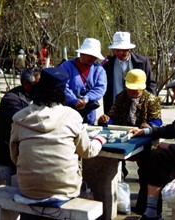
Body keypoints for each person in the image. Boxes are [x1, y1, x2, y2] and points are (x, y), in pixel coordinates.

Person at [10, 67, 106, 219]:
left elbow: (15, 156)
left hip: (28, 189)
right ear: (63, 93)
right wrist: (100, 139)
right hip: (65, 190)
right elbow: (87, 152)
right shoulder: (72, 116)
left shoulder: (20, 118)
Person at [129, 73, 175, 220]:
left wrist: (168, 147)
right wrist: (146, 130)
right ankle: (149, 209)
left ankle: (151, 212)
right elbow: (172, 129)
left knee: (157, 157)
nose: (174, 98)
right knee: (148, 157)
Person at [98, 68, 162, 216]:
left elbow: (157, 120)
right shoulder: (121, 97)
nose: (132, 92)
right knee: (112, 163)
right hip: (124, 136)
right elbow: (113, 116)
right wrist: (106, 120)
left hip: (144, 139)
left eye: (136, 89)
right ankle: (116, 201)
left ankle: (144, 207)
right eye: (130, 89)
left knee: (146, 172)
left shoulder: (151, 100)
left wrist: (150, 126)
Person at [0, 69, 40, 170]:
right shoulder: (11, 99)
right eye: (37, 84)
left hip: (22, 146)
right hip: (7, 151)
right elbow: (21, 119)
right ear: (26, 84)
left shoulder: (34, 96)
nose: (40, 87)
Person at [102, 31, 157, 114]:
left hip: (139, 109)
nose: (121, 53)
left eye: (124, 50)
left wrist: (151, 105)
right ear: (113, 50)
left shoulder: (142, 62)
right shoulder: (108, 65)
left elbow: (150, 84)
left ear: (129, 49)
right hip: (115, 109)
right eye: (117, 50)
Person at [59, 38, 107, 125]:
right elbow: (62, 86)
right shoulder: (66, 66)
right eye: (90, 55)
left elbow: (100, 88)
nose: (92, 58)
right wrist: (74, 100)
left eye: (94, 56)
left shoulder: (99, 69)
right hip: (68, 112)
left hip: (89, 113)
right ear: (82, 53)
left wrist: (86, 98)